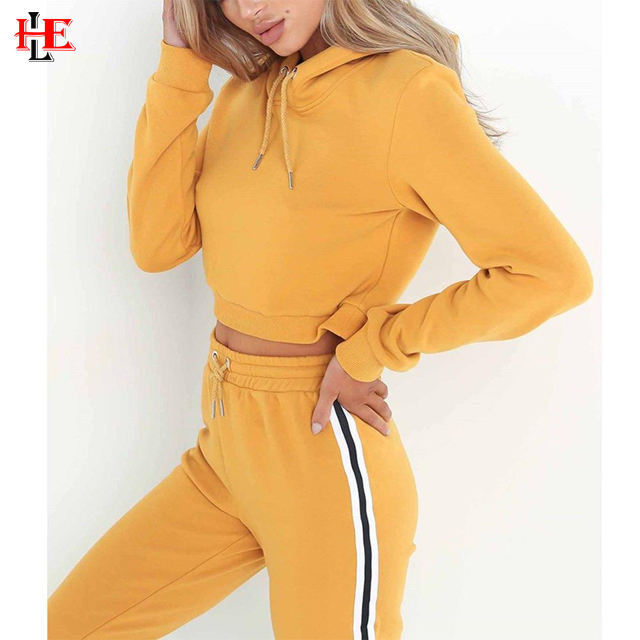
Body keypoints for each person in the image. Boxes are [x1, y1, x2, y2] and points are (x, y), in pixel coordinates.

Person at [48, 0, 594, 638]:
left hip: (321, 447)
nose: (248, 9)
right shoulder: (243, 94)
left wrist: (375, 345)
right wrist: (180, 67)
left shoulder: (406, 92)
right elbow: (157, 245)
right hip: (225, 443)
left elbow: (550, 273)